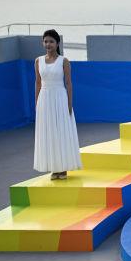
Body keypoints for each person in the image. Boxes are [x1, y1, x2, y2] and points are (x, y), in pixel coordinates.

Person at [33, 29, 82, 180]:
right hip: (44, 100)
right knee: (49, 133)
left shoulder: (64, 61)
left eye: (51, 41)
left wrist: (69, 104)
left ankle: (63, 168)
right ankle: (55, 168)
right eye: (45, 41)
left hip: (60, 98)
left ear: (57, 43)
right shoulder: (38, 61)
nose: (48, 44)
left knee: (61, 132)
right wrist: (37, 103)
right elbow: (38, 83)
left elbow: (69, 83)